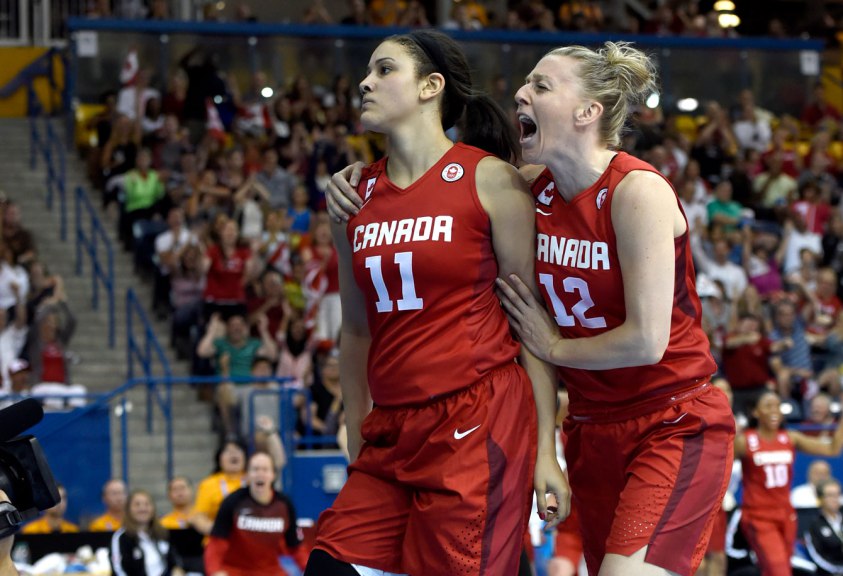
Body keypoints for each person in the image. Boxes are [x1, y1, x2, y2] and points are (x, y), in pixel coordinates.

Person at [326, 40, 734, 576]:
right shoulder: (529, 188)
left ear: (587, 112)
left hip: (672, 417)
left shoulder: (637, 192)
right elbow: (440, 184)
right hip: (589, 426)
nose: (520, 93)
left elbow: (646, 340)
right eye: (526, 83)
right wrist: (353, 181)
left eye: (541, 86)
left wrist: (554, 346)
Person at [304, 29, 567, 576]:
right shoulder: (353, 197)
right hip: (391, 429)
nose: (365, 82)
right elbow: (355, 331)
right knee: (330, 565)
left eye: (384, 70)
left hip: (476, 417)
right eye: (368, 72)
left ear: (431, 86)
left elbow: (530, 324)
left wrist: (546, 448)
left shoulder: (491, 180)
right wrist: (356, 432)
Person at [735, 390, 843, 575]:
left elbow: (832, 449)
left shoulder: (790, 437)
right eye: (768, 406)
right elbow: (717, 466)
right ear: (755, 412)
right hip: (759, 516)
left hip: (786, 514)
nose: (774, 410)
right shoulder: (744, 441)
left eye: (778, 406)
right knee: (779, 570)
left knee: (778, 568)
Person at [204, 452, 307, 576]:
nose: (260, 473)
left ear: (273, 475)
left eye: (265, 469)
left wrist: (309, 569)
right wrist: (215, 571)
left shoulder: (284, 504)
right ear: (247, 475)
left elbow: (295, 546)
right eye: (255, 469)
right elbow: (216, 543)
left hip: (271, 571)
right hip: (235, 570)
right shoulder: (232, 502)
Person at [110, 489, 185, 576]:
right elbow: (118, 571)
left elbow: (174, 559)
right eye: (137, 504)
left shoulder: (161, 533)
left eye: (147, 504)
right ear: (128, 509)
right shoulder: (121, 538)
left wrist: (177, 569)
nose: (143, 508)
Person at [190, 440, 247, 536]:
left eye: (238, 450)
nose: (233, 453)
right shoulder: (208, 484)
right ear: (219, 459)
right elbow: (198, 517)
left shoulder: (254, 480)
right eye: (227, 451)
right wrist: (218, 530)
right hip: (220, 539)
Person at [804, 478, 843, 575]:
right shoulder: (814, 524)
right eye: (830, 495)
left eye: (837, 494)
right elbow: (816, 556)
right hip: (830, 572)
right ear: (820, 498)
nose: (835, 499)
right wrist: (838, 570)